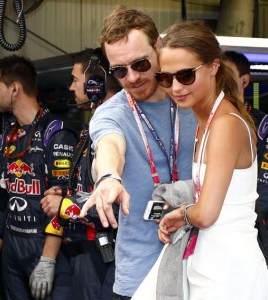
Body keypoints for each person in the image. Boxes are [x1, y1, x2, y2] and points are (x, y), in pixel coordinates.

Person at [80, 6, 197, 299]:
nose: (131, 78)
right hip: (139, 275)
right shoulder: (111, 113)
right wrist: (108, 177)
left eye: (140, 64)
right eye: (119, 70)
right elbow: (110, 144)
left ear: (158, 44)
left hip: (200, 266)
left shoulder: (192, 101)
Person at [156, 20, 268, 299]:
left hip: (230, 272)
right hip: (212, 262)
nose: (175, 87)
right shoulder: (208, 122)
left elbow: (206, 214)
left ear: (213, 67)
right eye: (166, 78)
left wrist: (180, 214)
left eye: (185, 75)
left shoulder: (224, 124)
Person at [40, 47, 121, 300]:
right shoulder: (92, 126)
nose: (72, 88)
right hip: (85, 253)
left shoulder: (117, 126)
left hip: (106, 256)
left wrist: (64, 204)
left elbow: (115, 205)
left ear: (97, 83)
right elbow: (89, 188)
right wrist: (65, 192)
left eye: (76, 80)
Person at [0, 55, 76, 300]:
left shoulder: (56, 132)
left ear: (14, 88)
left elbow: (62, 199)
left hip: (44, 245)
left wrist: (47, 259)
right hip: (12, 246)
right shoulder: (5, 136)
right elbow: (2, 199)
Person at [222, 50, 268, 223]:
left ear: (244, 81)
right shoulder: (206, 121)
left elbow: (266, 190)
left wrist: (232, 222)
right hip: (208, 229)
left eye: (225, 74)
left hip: (249, 230)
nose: (220, 80)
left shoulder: (266, 126)